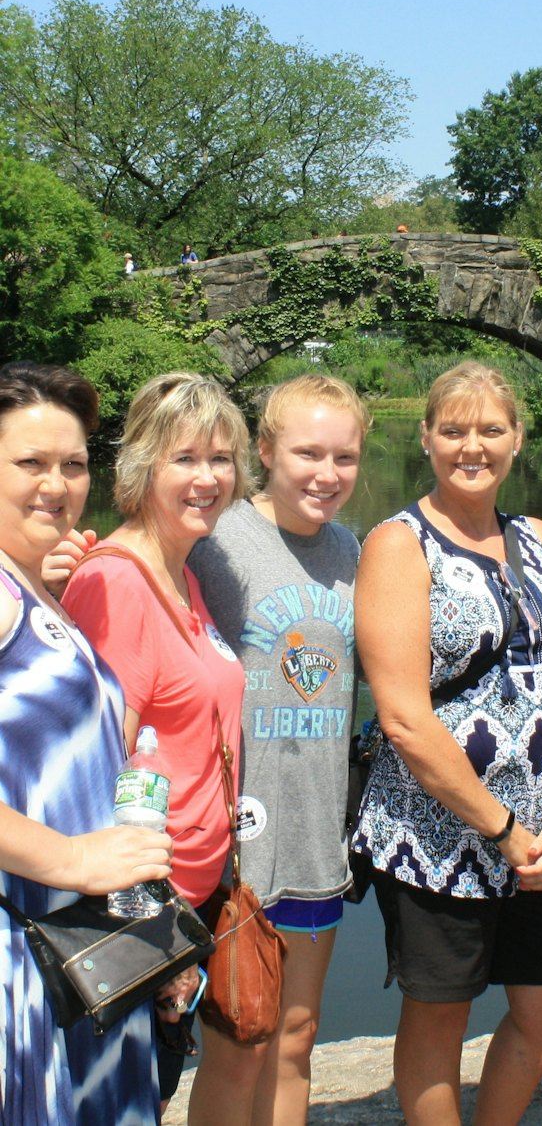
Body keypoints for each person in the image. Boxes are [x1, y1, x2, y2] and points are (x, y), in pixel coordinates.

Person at [350, 361, 542, 1126]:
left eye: (491, 429)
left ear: (519, 439)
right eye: (454, 429)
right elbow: (402, 717)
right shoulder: (399, 544)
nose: (473, 446)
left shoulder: (540, 538)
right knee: (441, 1016)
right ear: (426, 437)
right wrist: (502, 828)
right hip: (440, 833)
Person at [62, 372, 253, 1115]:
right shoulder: (116, 584)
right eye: (185, 459)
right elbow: (98, 776)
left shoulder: (184, 575)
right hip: (143, 911)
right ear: (142, 465)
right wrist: (155, 936)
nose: (207, 478)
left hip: (193, 895)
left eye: (222, 458)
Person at [185, 374, 369, 1124]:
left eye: (345, 457)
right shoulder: (218, 536)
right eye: (307, 452)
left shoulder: (352, 549)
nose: (326, 474)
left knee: (296, 1035)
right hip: (237, 838)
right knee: (238, 1040)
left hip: (316, 829)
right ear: (265, 450)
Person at [0, 362, 173, 1126]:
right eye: (29, 464)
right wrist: (72, 861)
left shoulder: (31, 583)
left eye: (72, 465)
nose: (57, 485)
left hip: (80, 947)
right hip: (22, 947)